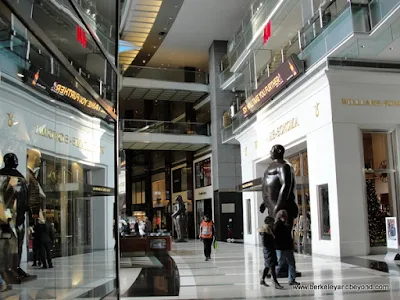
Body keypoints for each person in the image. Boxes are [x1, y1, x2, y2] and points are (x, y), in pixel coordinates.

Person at [274, 210, 300, 285]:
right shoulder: (277, 225)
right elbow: (276, 237)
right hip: (281, 248)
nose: (285, 217)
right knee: (279, 264)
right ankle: (274, 278)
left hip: (287, 247)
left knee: (291, 263)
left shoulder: (285, 225)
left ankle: (291, 279)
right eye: (284, 216)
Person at [259, 216, 283, 289]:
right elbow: (264, 243)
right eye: (272, 222)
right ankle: (275, 282)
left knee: (267, 266)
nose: (273, 224)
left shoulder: (268, 229)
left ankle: (262, 280)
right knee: (272, 266)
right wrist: (272, 244)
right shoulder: (265, 231)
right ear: (269, 222)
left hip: (270, 250)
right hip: (269, 251)